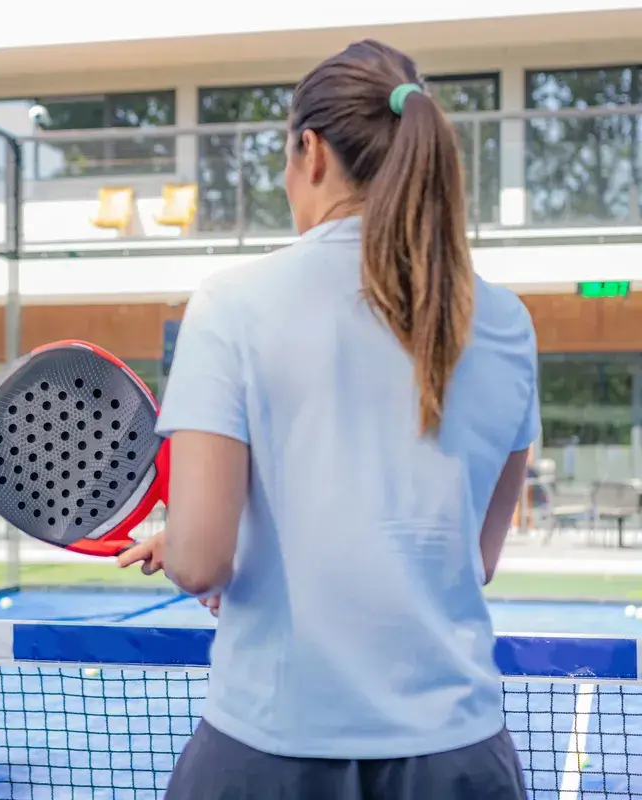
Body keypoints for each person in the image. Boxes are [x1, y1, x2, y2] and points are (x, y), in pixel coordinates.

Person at [118, 40, 538, 799]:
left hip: (273, 750)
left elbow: (202, 563)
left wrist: (191, 544)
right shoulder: (507, 321)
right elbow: (472, 558)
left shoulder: (232, 304)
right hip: (461, 755)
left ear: (310, 152)